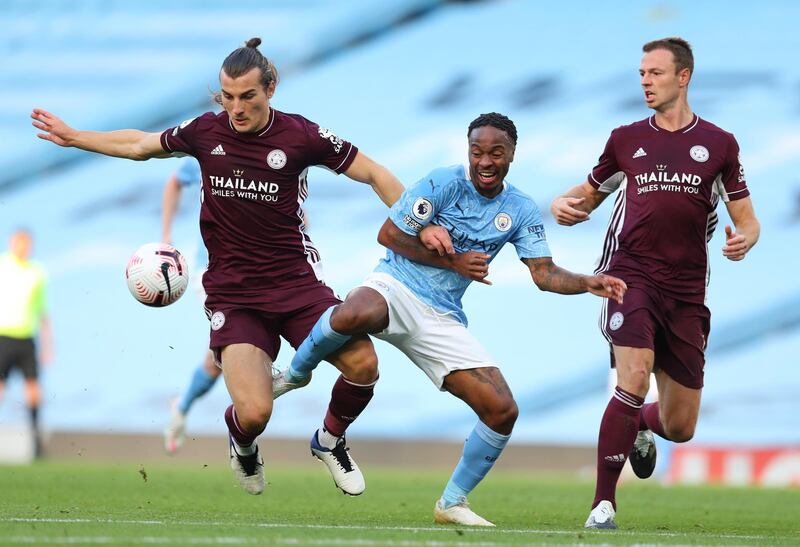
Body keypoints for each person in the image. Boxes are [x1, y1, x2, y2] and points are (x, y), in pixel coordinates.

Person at [31, 37, 407, 496]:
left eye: (248, 96)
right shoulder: (206, 133)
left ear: (271, 88)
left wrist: (416, 226)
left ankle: (329, 441)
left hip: (297, 287)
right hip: (235, 294)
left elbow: (373, 171)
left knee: (364, 365)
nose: (237, 108)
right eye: (228, 97)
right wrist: (75, 137)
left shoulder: (301, 136)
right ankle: (242, 443)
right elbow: (139, 145)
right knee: (254, 414)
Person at [273, 112, 628, 526]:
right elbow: (389, 235)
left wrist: (586, 281)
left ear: (512, 154)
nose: (486, 161)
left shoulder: (520, 209)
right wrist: (455, 260)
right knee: (356, 310)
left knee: (502, 409)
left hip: (441, 316)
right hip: (395, 286)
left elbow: (544, 273)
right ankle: (294, 374)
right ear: (468, 151)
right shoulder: (443, 182)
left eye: (496, 152)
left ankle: (452, 503)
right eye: (478, 152)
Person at [550, 37, 760, 529]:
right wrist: (565, 206)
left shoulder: (721, 144)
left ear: (683, 77)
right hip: (631, 274)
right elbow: (585, 195)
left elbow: (747, 220)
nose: (645, 81)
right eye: (641, 73)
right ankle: (603, 505)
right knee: (633, 376)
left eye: (655, 73)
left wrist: (744, 240)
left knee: (681, 426)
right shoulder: (625, 138)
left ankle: (641, 425)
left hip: (688, 291)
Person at [160, 157, 221, 454]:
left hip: (257, 272)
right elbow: (174, 181)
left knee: (218, 359)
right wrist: (166, 235)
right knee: (238, 344)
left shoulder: (267, 146)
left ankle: (181, 405)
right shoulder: (207, 145)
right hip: (211, 271)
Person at [0, 228, 54, 458]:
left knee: (33, 390)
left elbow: (42, 311)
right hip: (3, 335)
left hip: (26, 338)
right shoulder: (2, 265)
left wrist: (47, 345)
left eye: (27, 243)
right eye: (20, 242)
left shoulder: (37, 272)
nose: (24, 247)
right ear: (13, 243)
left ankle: (35, 442)